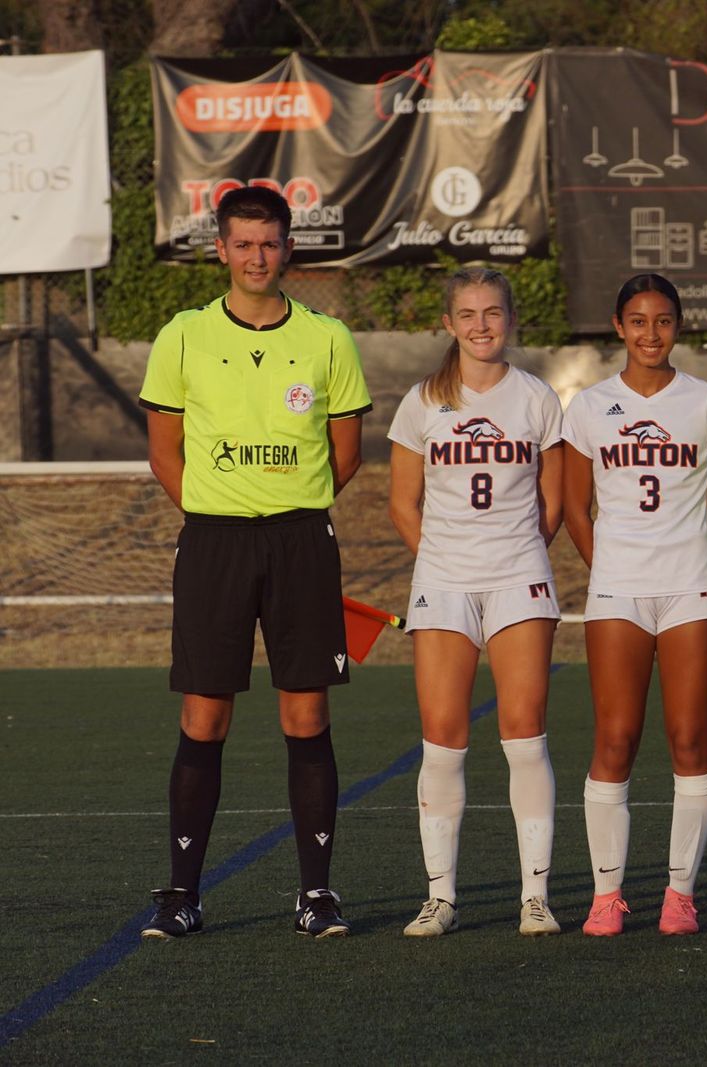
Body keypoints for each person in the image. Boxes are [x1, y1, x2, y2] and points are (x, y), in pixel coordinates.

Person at [138, 186, 371, 939]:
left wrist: (289, 503)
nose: (257, 257)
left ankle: (317, 895)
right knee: (204, 714)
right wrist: (218, 505)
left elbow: (345, 453)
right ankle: (180, 893)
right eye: (243, 244)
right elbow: (164, 450)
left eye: (269, 243)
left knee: (306, 712)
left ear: (288, 249)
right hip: (214, 542)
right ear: (221, 251)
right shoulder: (183, 335)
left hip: (301, 539)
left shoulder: (328, 337)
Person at [562, 274, 707, 936]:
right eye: (637, 321)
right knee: (615, 737)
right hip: (618, 588)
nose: (650, 333)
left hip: (691, 587)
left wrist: (702, 564)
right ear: (618, 327)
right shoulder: (588, 407)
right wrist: (607, 562)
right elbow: (573, 506)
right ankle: (607, 895)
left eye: (663, 320)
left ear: (678, 326)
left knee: (690, 736)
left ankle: (680, 893)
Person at [387, 267, 565, 937]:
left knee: (524, 731)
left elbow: (553, 501)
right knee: (443, 738)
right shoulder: (422, 401)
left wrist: (517, 550)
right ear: (450, 323)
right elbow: (403, 504)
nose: (481, 324)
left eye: (492, 311)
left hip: (519, 574)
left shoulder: (538, 398)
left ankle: (536, 897)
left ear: (510, 320)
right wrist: (442, 558)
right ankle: (441, 896)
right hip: (445, 579)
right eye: (468, 313)